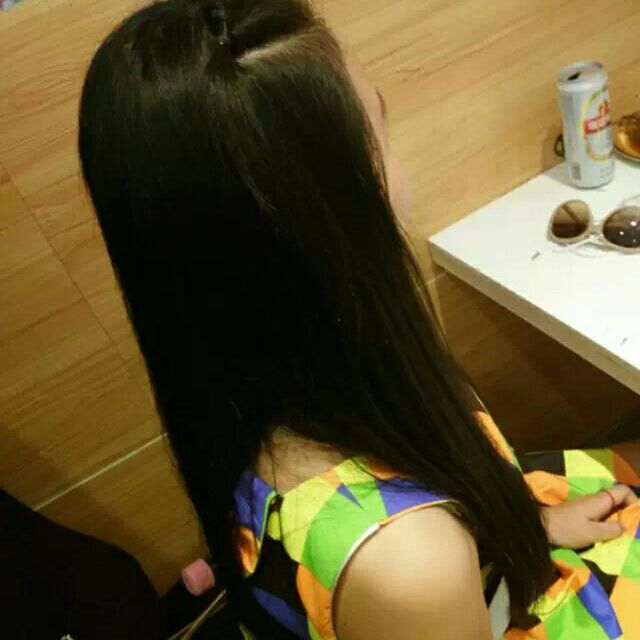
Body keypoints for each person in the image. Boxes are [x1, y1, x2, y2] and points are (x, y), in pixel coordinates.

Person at [77, 1, 640, 638]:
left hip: (499, 547)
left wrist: (529, 527)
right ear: (326, 211)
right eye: (380, 128)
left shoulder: (261, 379)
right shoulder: (408, 564)